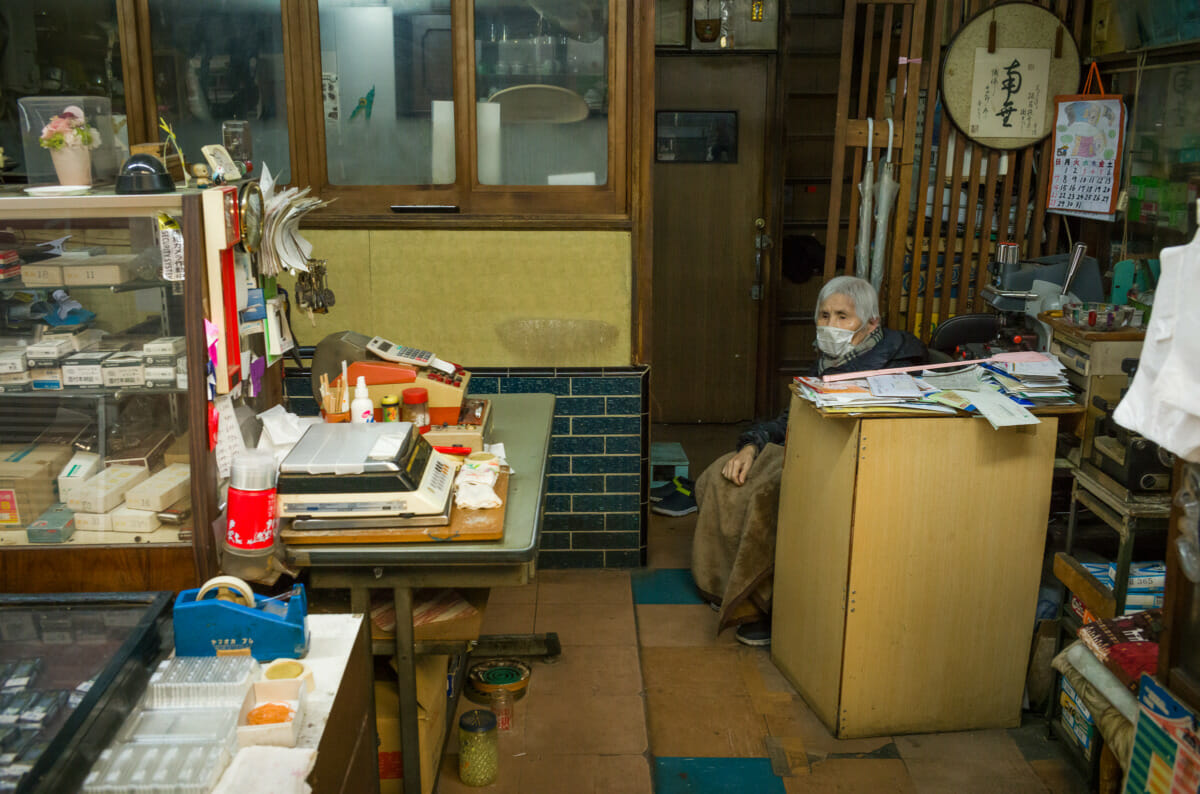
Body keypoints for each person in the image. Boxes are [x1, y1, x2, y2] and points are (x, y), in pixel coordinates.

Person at [682, 275, 928, 646]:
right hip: (811, 448)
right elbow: (793, 415)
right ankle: (734, 594)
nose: (830, 326)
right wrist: (751, 445)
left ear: (872, 323)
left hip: (856, 466)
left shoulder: (896, 364)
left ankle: (773, 609)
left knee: (765, 499)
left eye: (842, 316)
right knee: (721, 476)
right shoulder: (837, 356)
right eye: (824, 315)